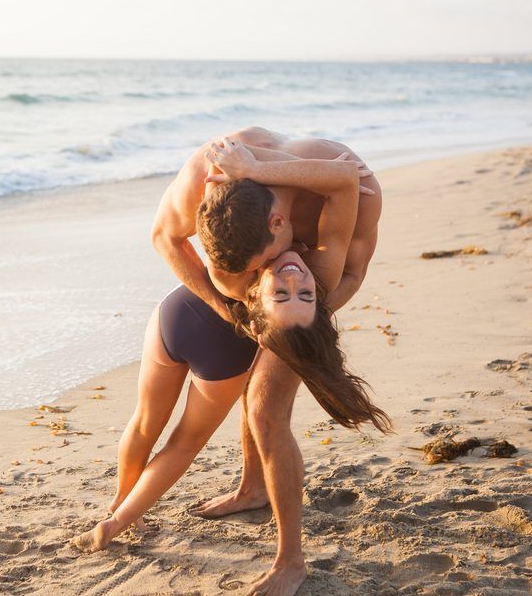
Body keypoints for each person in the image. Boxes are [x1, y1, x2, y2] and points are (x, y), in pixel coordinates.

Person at [70, 150, 389, 567]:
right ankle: (124, 510)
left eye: (292, 294)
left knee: (157, 422)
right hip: (208, 332)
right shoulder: (302, 265)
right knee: (177, 434)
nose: (294, 279)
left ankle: (123, 510)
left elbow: (343, 206)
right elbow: (344, 183)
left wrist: (248, 172)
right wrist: (257, 170)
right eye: (301, 293)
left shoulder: (235, 259)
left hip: (176, 318)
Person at [153, 128, 385, 596]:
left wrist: (306, 310)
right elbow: (163, 237)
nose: (285, 269)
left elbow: (354, 267)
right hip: (263, 200)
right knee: (250, 388)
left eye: (270, 264)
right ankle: (252, 489)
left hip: (321, 289)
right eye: (262, 272)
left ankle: (290, 562)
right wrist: (232, 311)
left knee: (264, 409)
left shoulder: (323, 254)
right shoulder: (211, 181)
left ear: (281, 226)